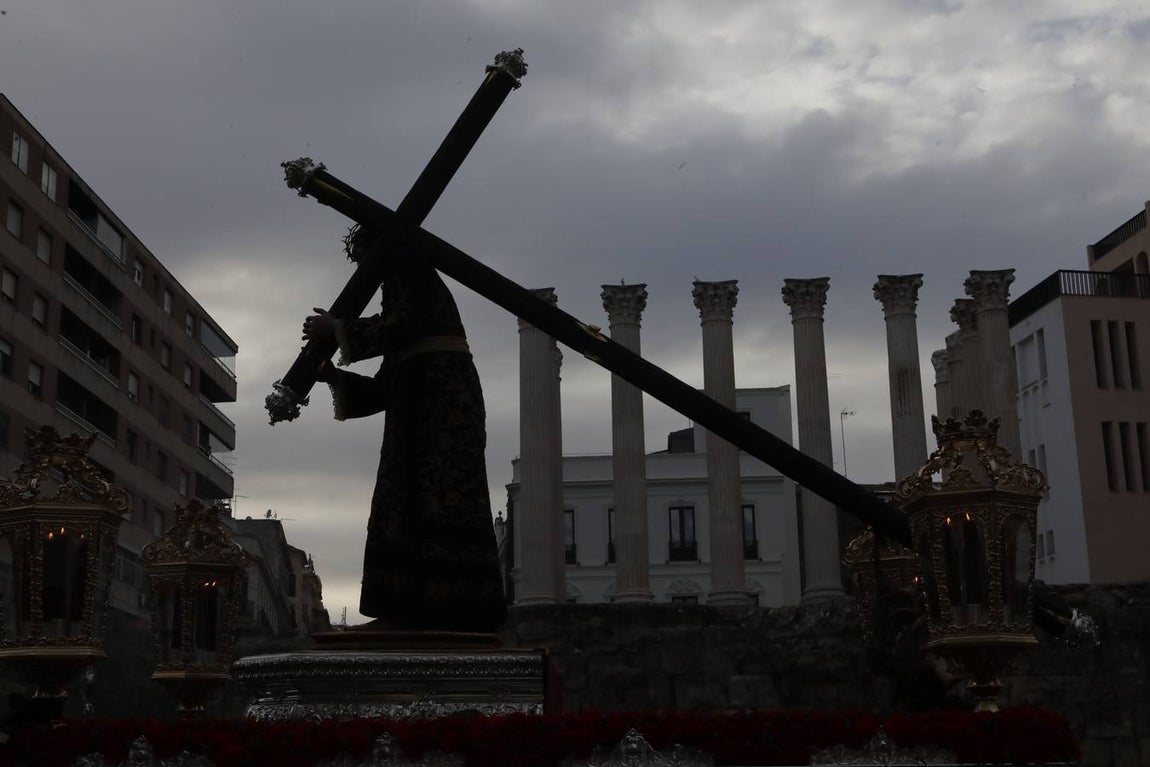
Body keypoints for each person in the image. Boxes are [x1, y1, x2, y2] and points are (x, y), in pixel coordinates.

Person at [302, 227, 506, 632]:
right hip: (419, 407)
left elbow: (401, 325)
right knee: (405, 500)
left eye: (364, 262)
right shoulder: (403, 297)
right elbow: (383, 386)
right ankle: (407, 605)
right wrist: (329, 373)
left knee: (439, 498)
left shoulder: (409, 269)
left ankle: (448, 606)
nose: (365, 273)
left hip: (442, 409)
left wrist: (338, 329)